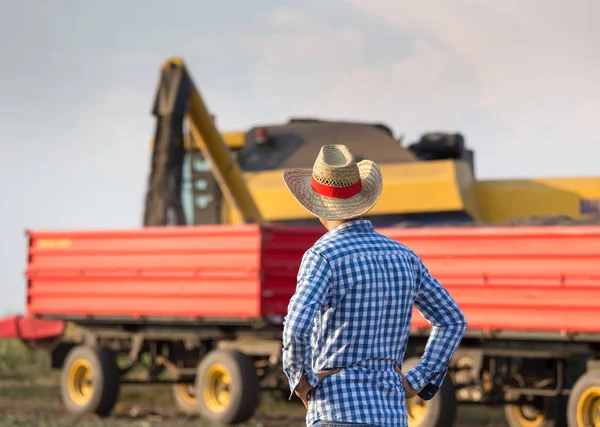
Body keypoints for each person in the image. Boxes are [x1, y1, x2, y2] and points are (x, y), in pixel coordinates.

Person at [281, 144, 468, 427]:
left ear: (317, 203)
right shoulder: (404, 256)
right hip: (390, 413)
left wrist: (300, 380)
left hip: (336, 410)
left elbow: (296, 328)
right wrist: (416, 380)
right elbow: (452, 321)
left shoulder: (322, 256)